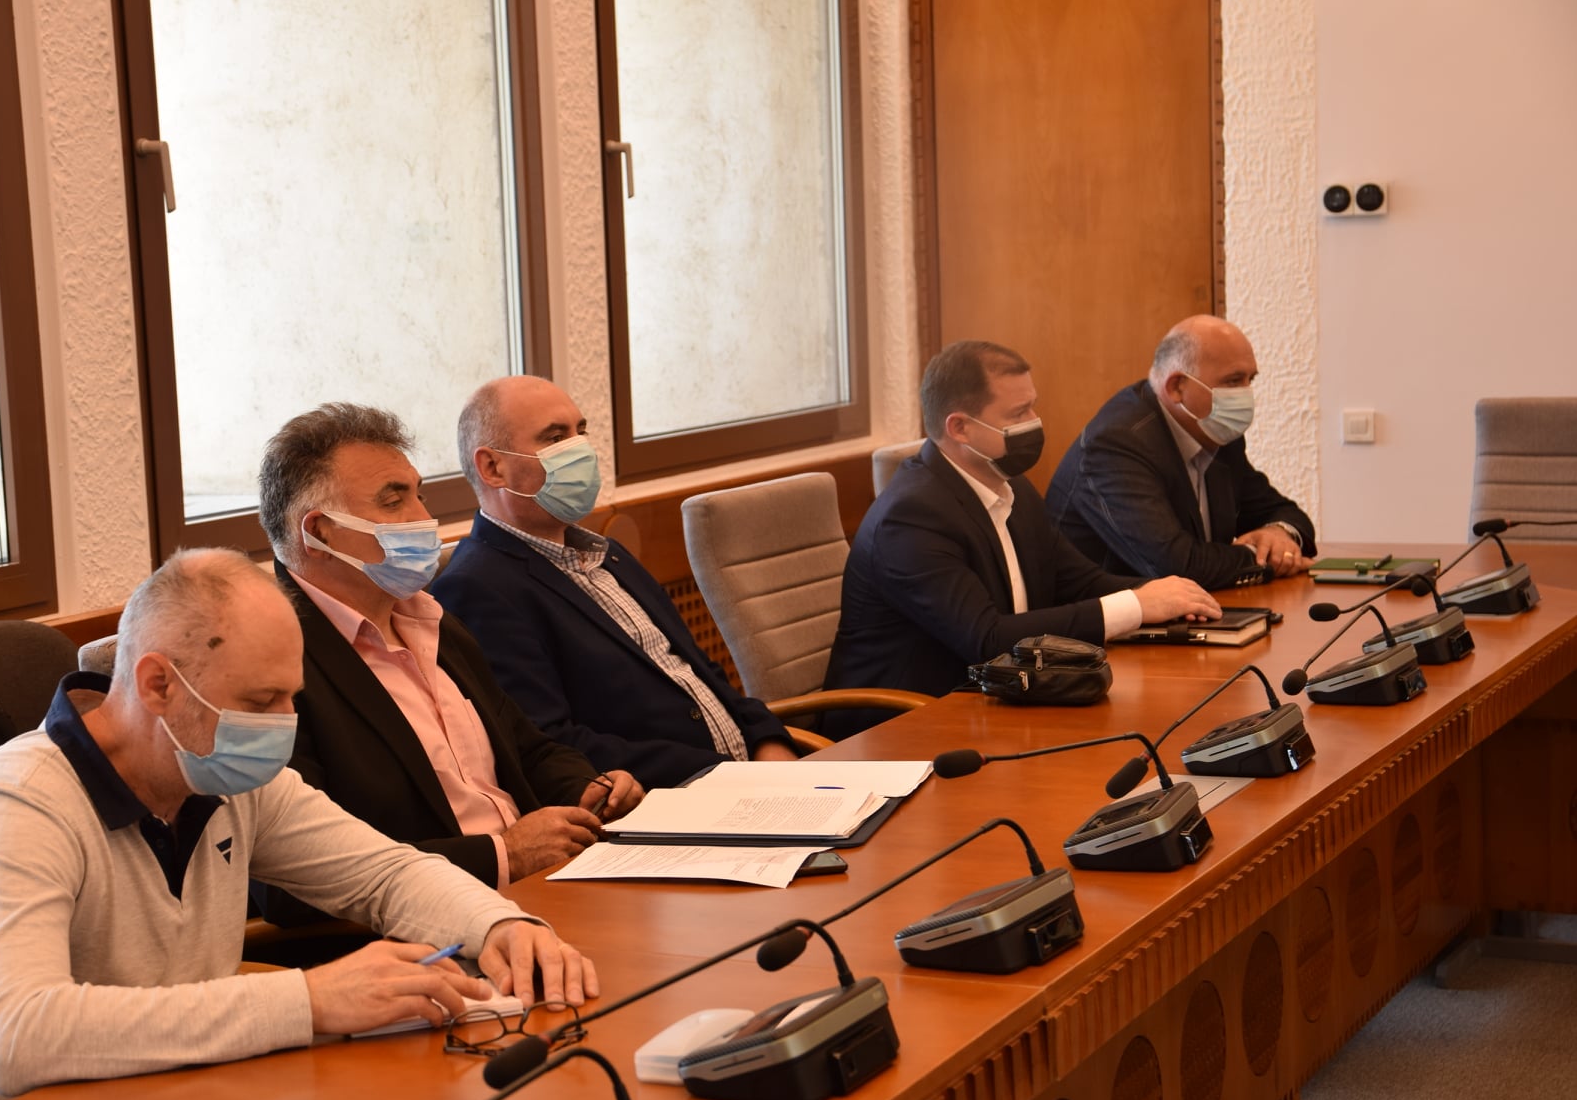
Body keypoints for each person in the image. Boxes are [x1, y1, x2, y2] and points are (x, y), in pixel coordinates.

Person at [0, 549, 596, 1100]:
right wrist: (309, 1000)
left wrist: (498, 925)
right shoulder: (12, 806)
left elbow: (384, 873)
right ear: (158, 684)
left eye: (291, 698)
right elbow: (17, 1036)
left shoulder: (225, 777)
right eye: (260, 701)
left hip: (177, 1086)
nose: (283, 727)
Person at [258, 404, 643, 896]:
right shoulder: (267, 666)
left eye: (419, 495)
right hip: (428, 919)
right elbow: (292, 875)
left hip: (543, 884)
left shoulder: (432, 620)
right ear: (318, 532)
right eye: (393, 502)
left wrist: (587, 788)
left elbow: (527, 747)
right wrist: (502, 856)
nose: (424, 519)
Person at [823, 340, 1220, 735]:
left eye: (1032, 406)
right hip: (900, 729)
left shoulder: (1011, 487)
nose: (1035, 422)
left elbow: (1080, 582)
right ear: (959, 428)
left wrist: (1166, 598)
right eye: (1018, 413)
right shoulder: (910, 518)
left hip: (993, 705)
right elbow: (987, 638)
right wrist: (1135, 605)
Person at [431, 376, 799, 789]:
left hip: (754, 778)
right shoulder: (476, 588)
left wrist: (767, 739)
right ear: (492, 468)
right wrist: (726, 773)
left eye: (581, 431)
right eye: (555, 438)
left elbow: (699, 671)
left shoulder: (608, 554)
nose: (580, 449)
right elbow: (552, 746)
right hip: (673, 800)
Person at [1046, 315, 1316, 589]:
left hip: (1195, 608)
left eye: (1251, 380)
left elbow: (1284, 512)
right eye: (1233, 381)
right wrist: (1266, 557)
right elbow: (1175, 566)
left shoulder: (1217, 434)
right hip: (1106, 614)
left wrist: (1279, 533)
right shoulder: (1116, 445)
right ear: (1176, 387)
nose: (1246, 394)